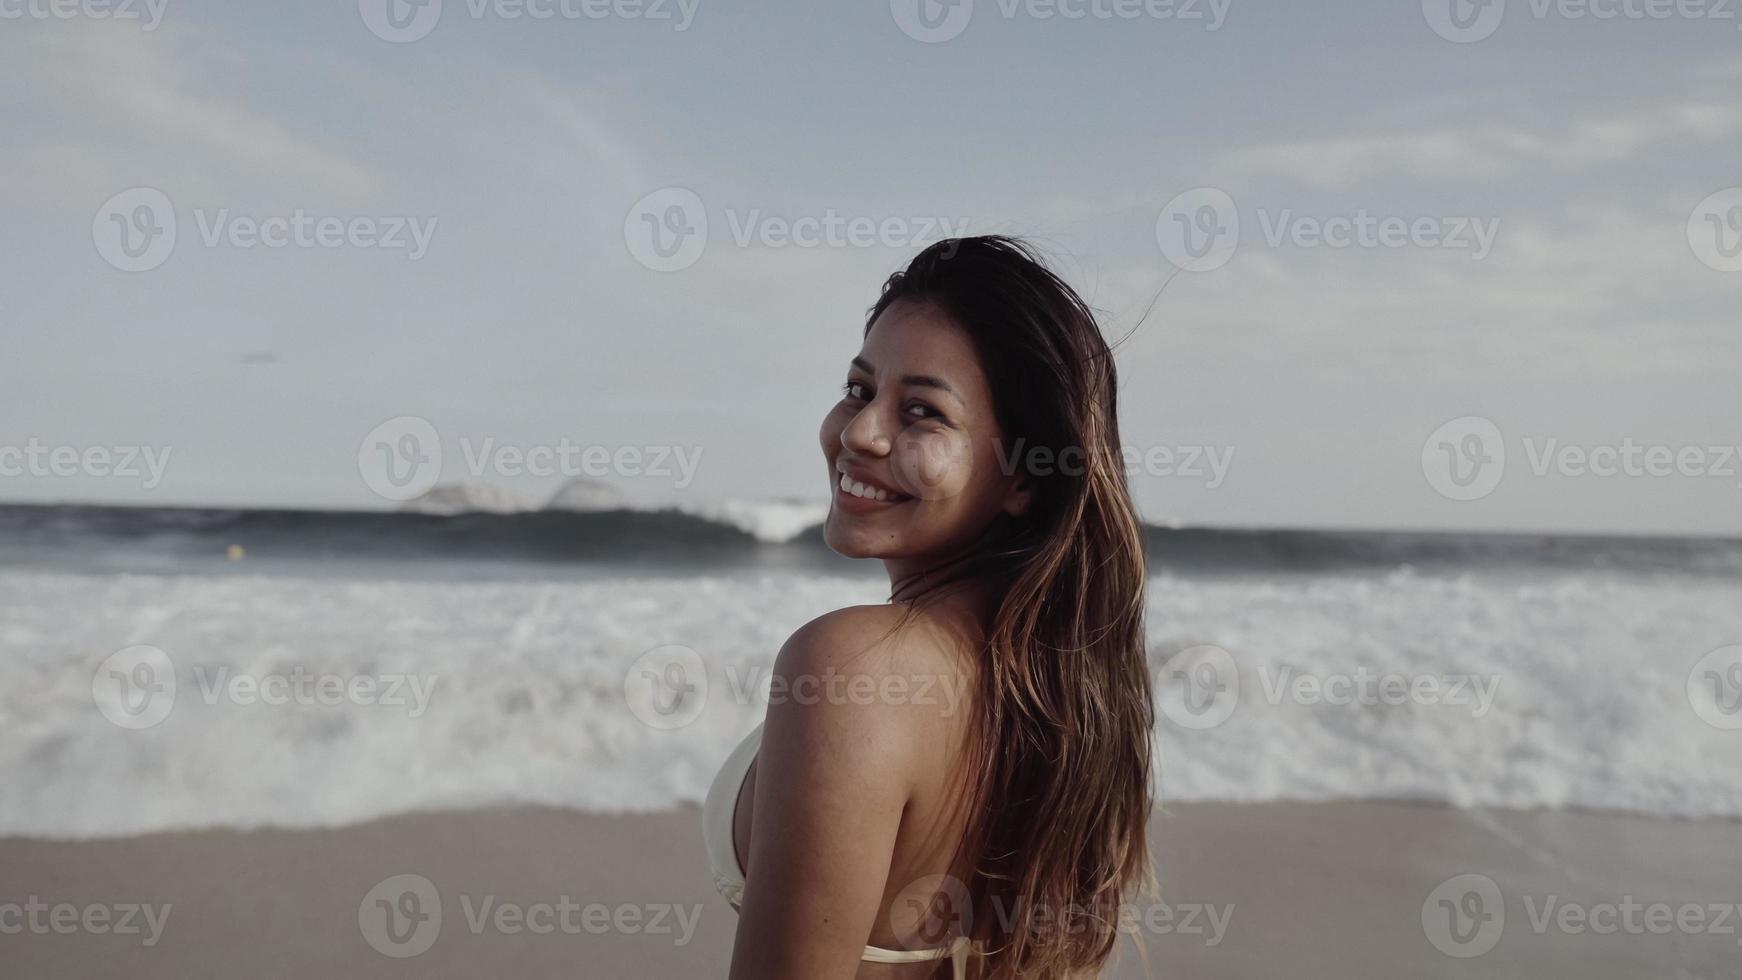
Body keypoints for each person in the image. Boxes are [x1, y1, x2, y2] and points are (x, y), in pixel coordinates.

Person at [704, 236, 1155, 979]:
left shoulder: (851, 667)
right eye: (858, 390)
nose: (858, 433)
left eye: (922, 412)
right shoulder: (1061, 700)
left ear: (1022, 477)